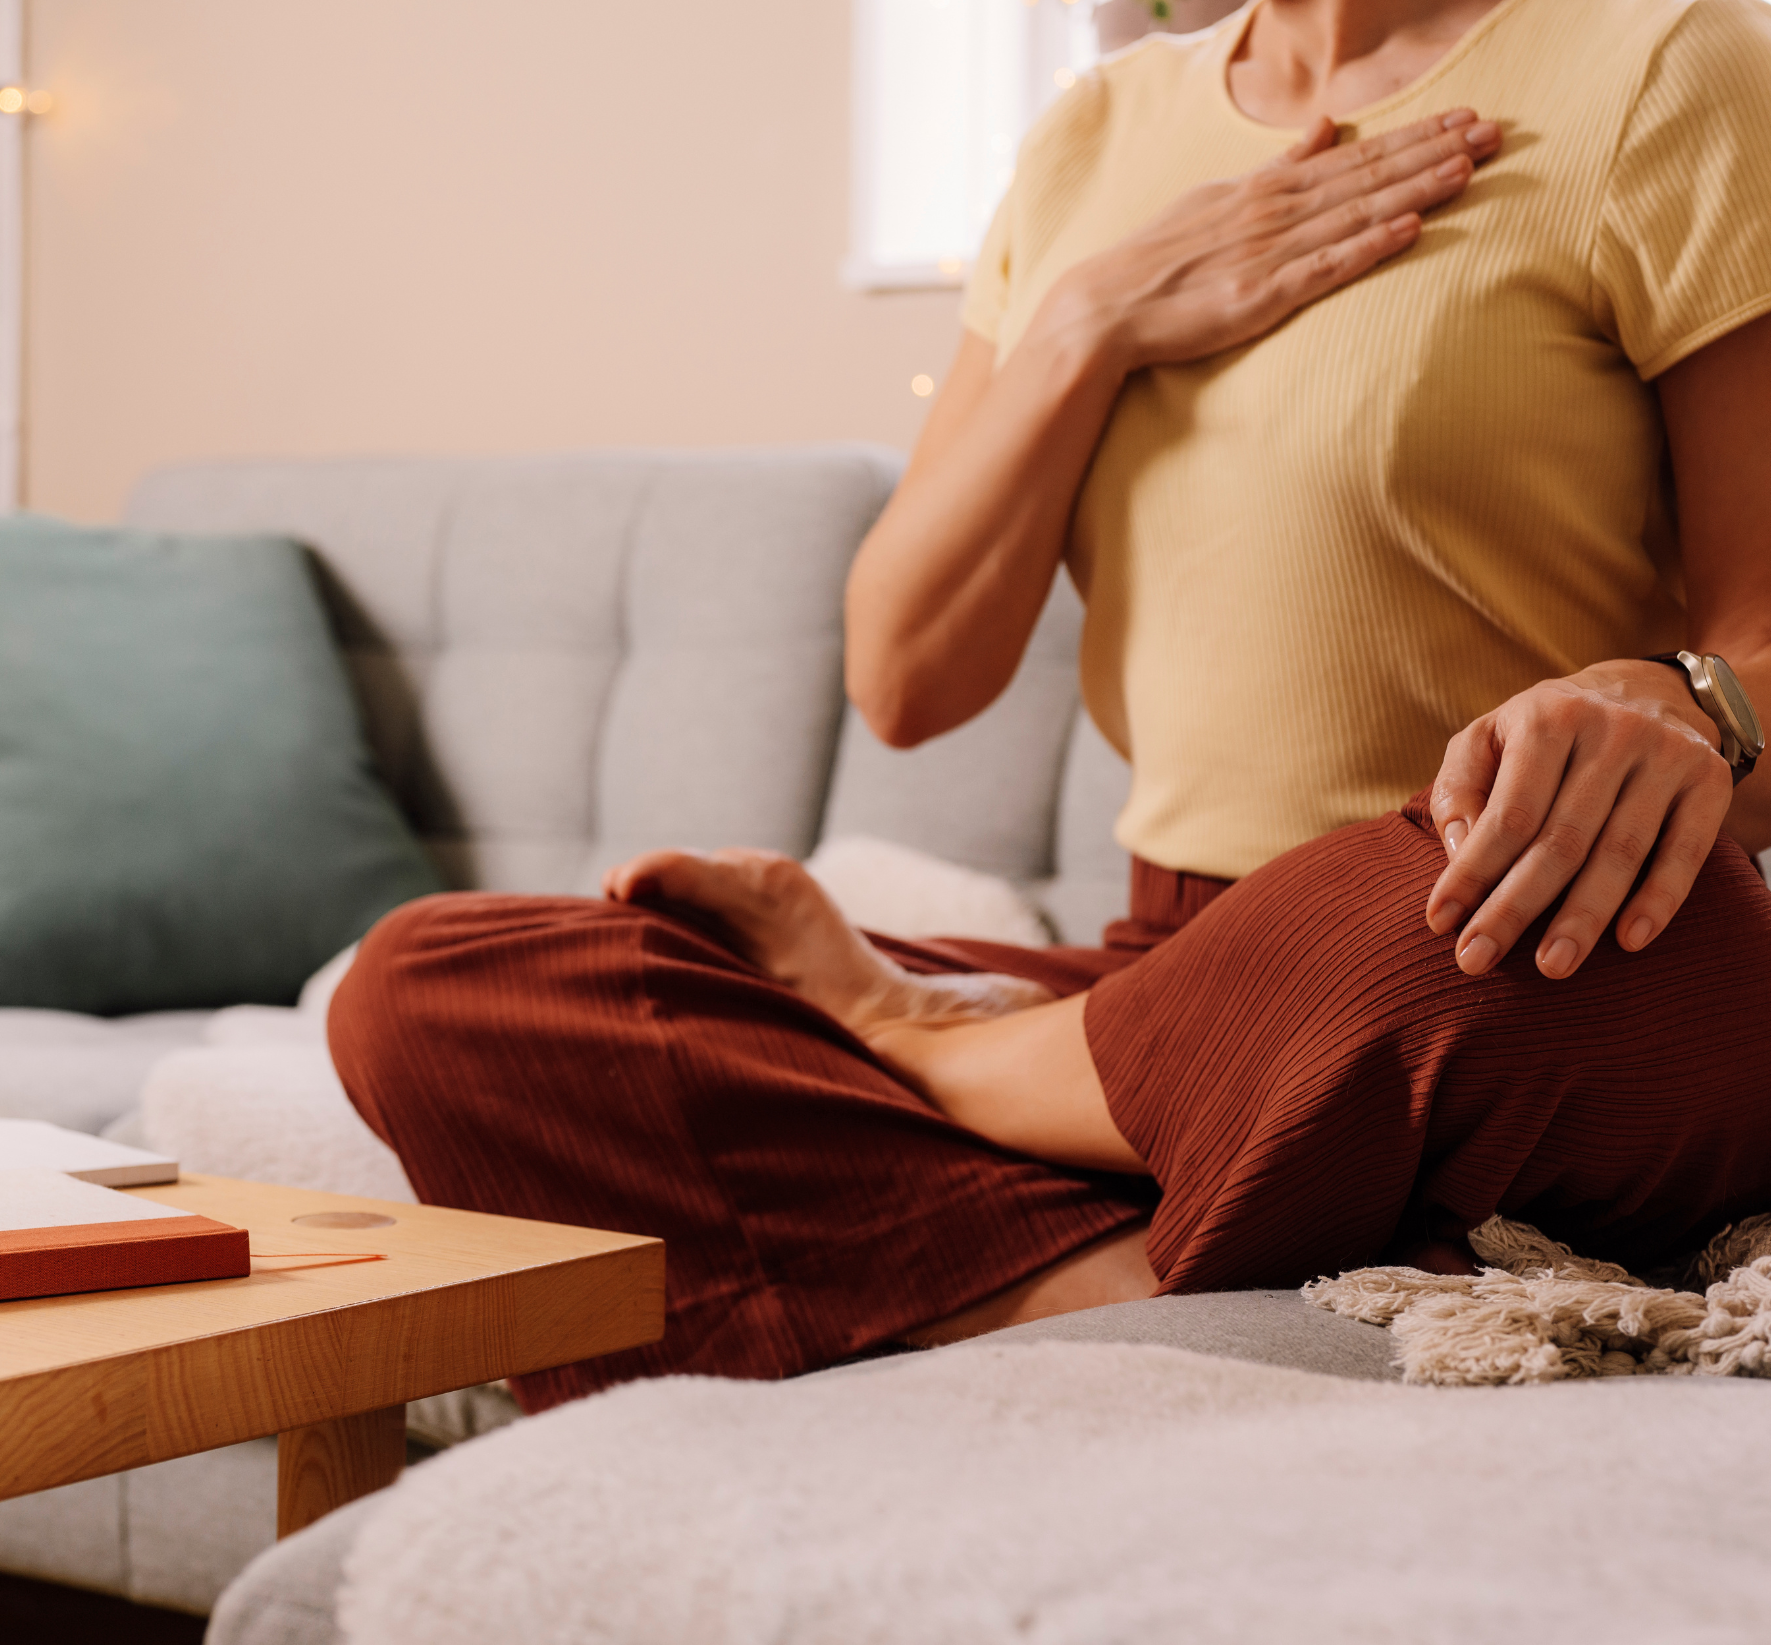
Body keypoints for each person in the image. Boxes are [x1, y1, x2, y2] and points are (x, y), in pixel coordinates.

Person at [330, 0, 1771, 1411]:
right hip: (1174, 963)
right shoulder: (1094, 137)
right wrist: (1092, 319)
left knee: (1427, 937)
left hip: (1530, 941)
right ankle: (1132, 1279)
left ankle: (933, 1058)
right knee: (441, 984)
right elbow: (905, 677)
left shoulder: (1662, 66)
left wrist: (1679, 703)